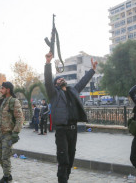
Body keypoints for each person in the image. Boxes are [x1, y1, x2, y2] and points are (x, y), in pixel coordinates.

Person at [44, 51, 97, 183]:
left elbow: (83, 81)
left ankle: (64, 180)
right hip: (61, 130)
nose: (62, 79)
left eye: (62, 78)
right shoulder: (54, 95)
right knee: (63, 159)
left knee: (70, 159)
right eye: (59, 80)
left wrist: (92, 70)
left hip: (73, 130)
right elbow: (47, 81)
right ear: (56, 85)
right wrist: (48, 63)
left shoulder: (73, 91)